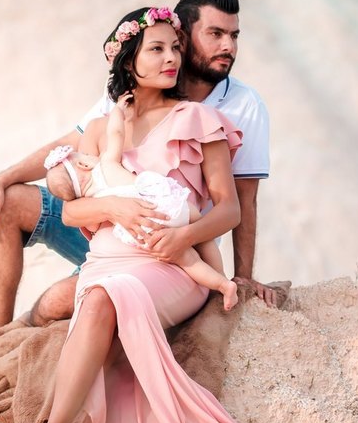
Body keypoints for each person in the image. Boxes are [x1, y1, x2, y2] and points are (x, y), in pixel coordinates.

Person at [0, 5, 358, 423]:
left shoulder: (200, 120)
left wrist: (182, 238)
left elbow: (228, 209)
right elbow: (71, 211)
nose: (170, 59)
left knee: (108, 298)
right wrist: (114, 210)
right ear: (128, 62)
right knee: (97, 297)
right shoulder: (99, 129)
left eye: (174, 48)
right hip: (108, 259)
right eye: (156, 49)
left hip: (170, 266)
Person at [0, 0, 275, 366]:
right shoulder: (134, 91)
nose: (228, 46)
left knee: (56, 301)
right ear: (183, 35)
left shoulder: (241, 106)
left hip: (162, 240)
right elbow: (72, 142)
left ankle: (34, 328)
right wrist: (1, 178)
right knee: (7, 200)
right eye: (215, 34)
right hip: (101, 223)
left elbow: (244, 200)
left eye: (234, 36)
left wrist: (242, 276)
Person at [44, 86, 240, 310]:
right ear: (83, 163)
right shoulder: (107, 164)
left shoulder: (91, 196)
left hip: (146, 233)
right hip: (164, 205)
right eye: (84, 155)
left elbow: (80, 217)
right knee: (202, 235)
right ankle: (221, 277)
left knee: (188, 260)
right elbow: (115, 134)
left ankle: (222, 286)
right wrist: (117, 111)